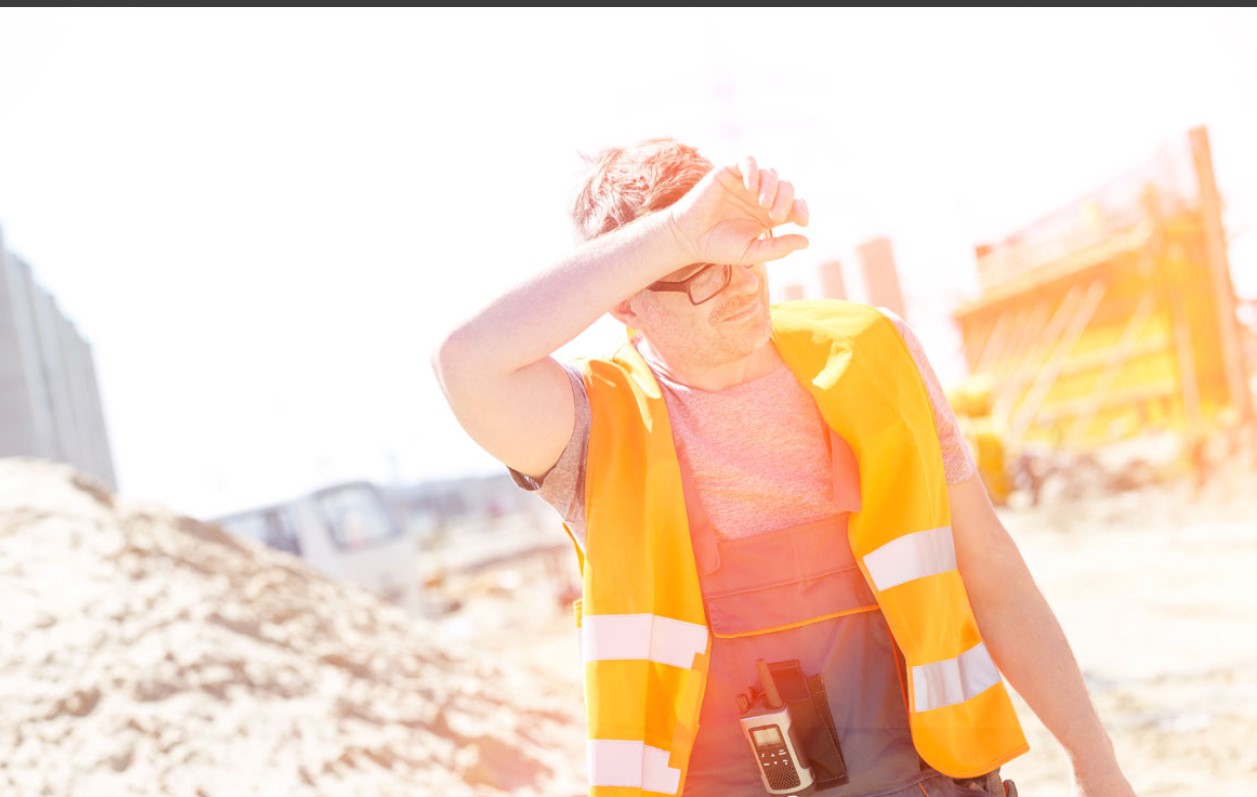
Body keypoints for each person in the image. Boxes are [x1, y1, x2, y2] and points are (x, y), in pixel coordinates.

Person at [431, 138, 1137, 797]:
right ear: (625, 299)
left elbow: (992, 571)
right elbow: (467, 361)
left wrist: (1095, 761)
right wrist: (674, 232)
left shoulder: (871, 354)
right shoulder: (592, 422)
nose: (741, 287)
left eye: (745, 251)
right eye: (700, 271)